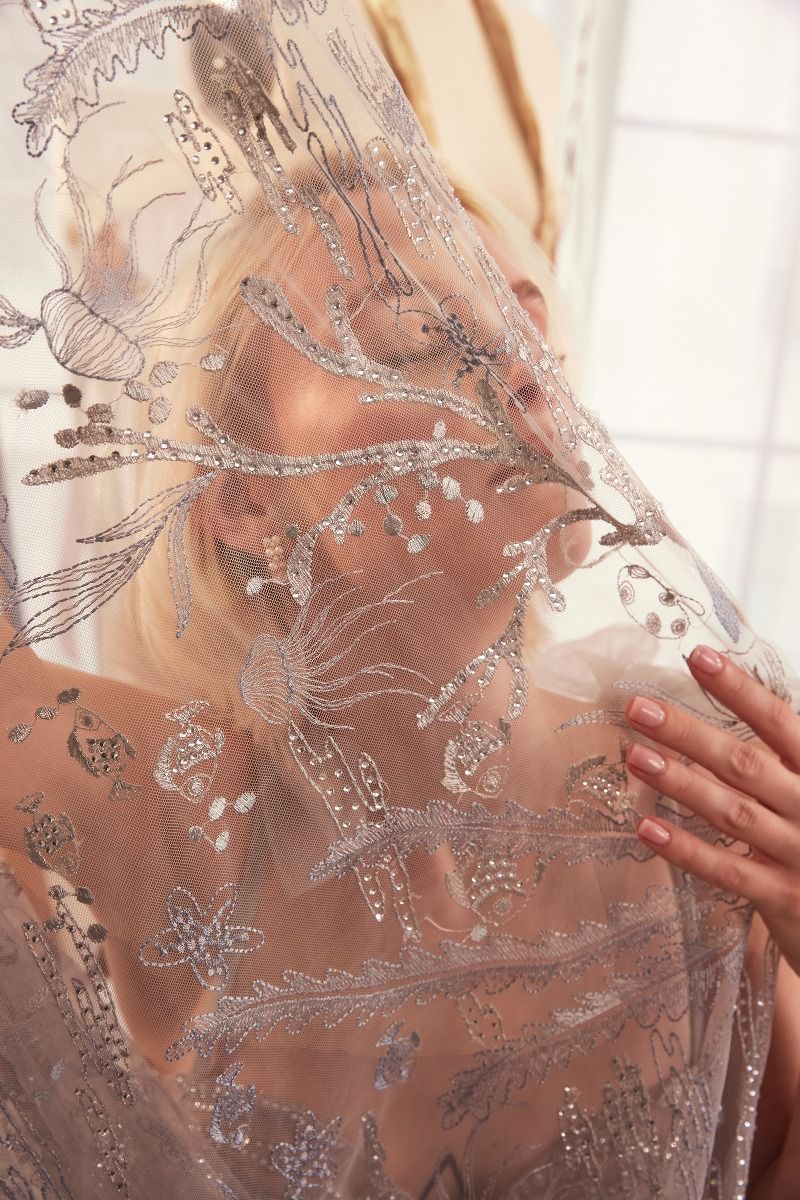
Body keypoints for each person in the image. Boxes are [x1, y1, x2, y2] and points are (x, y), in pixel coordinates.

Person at [0, 3, 798, 1197]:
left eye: (521, 316)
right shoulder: (174, 820)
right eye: (412, 333)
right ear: (242, 498)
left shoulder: (697, 786)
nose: (516, 364)